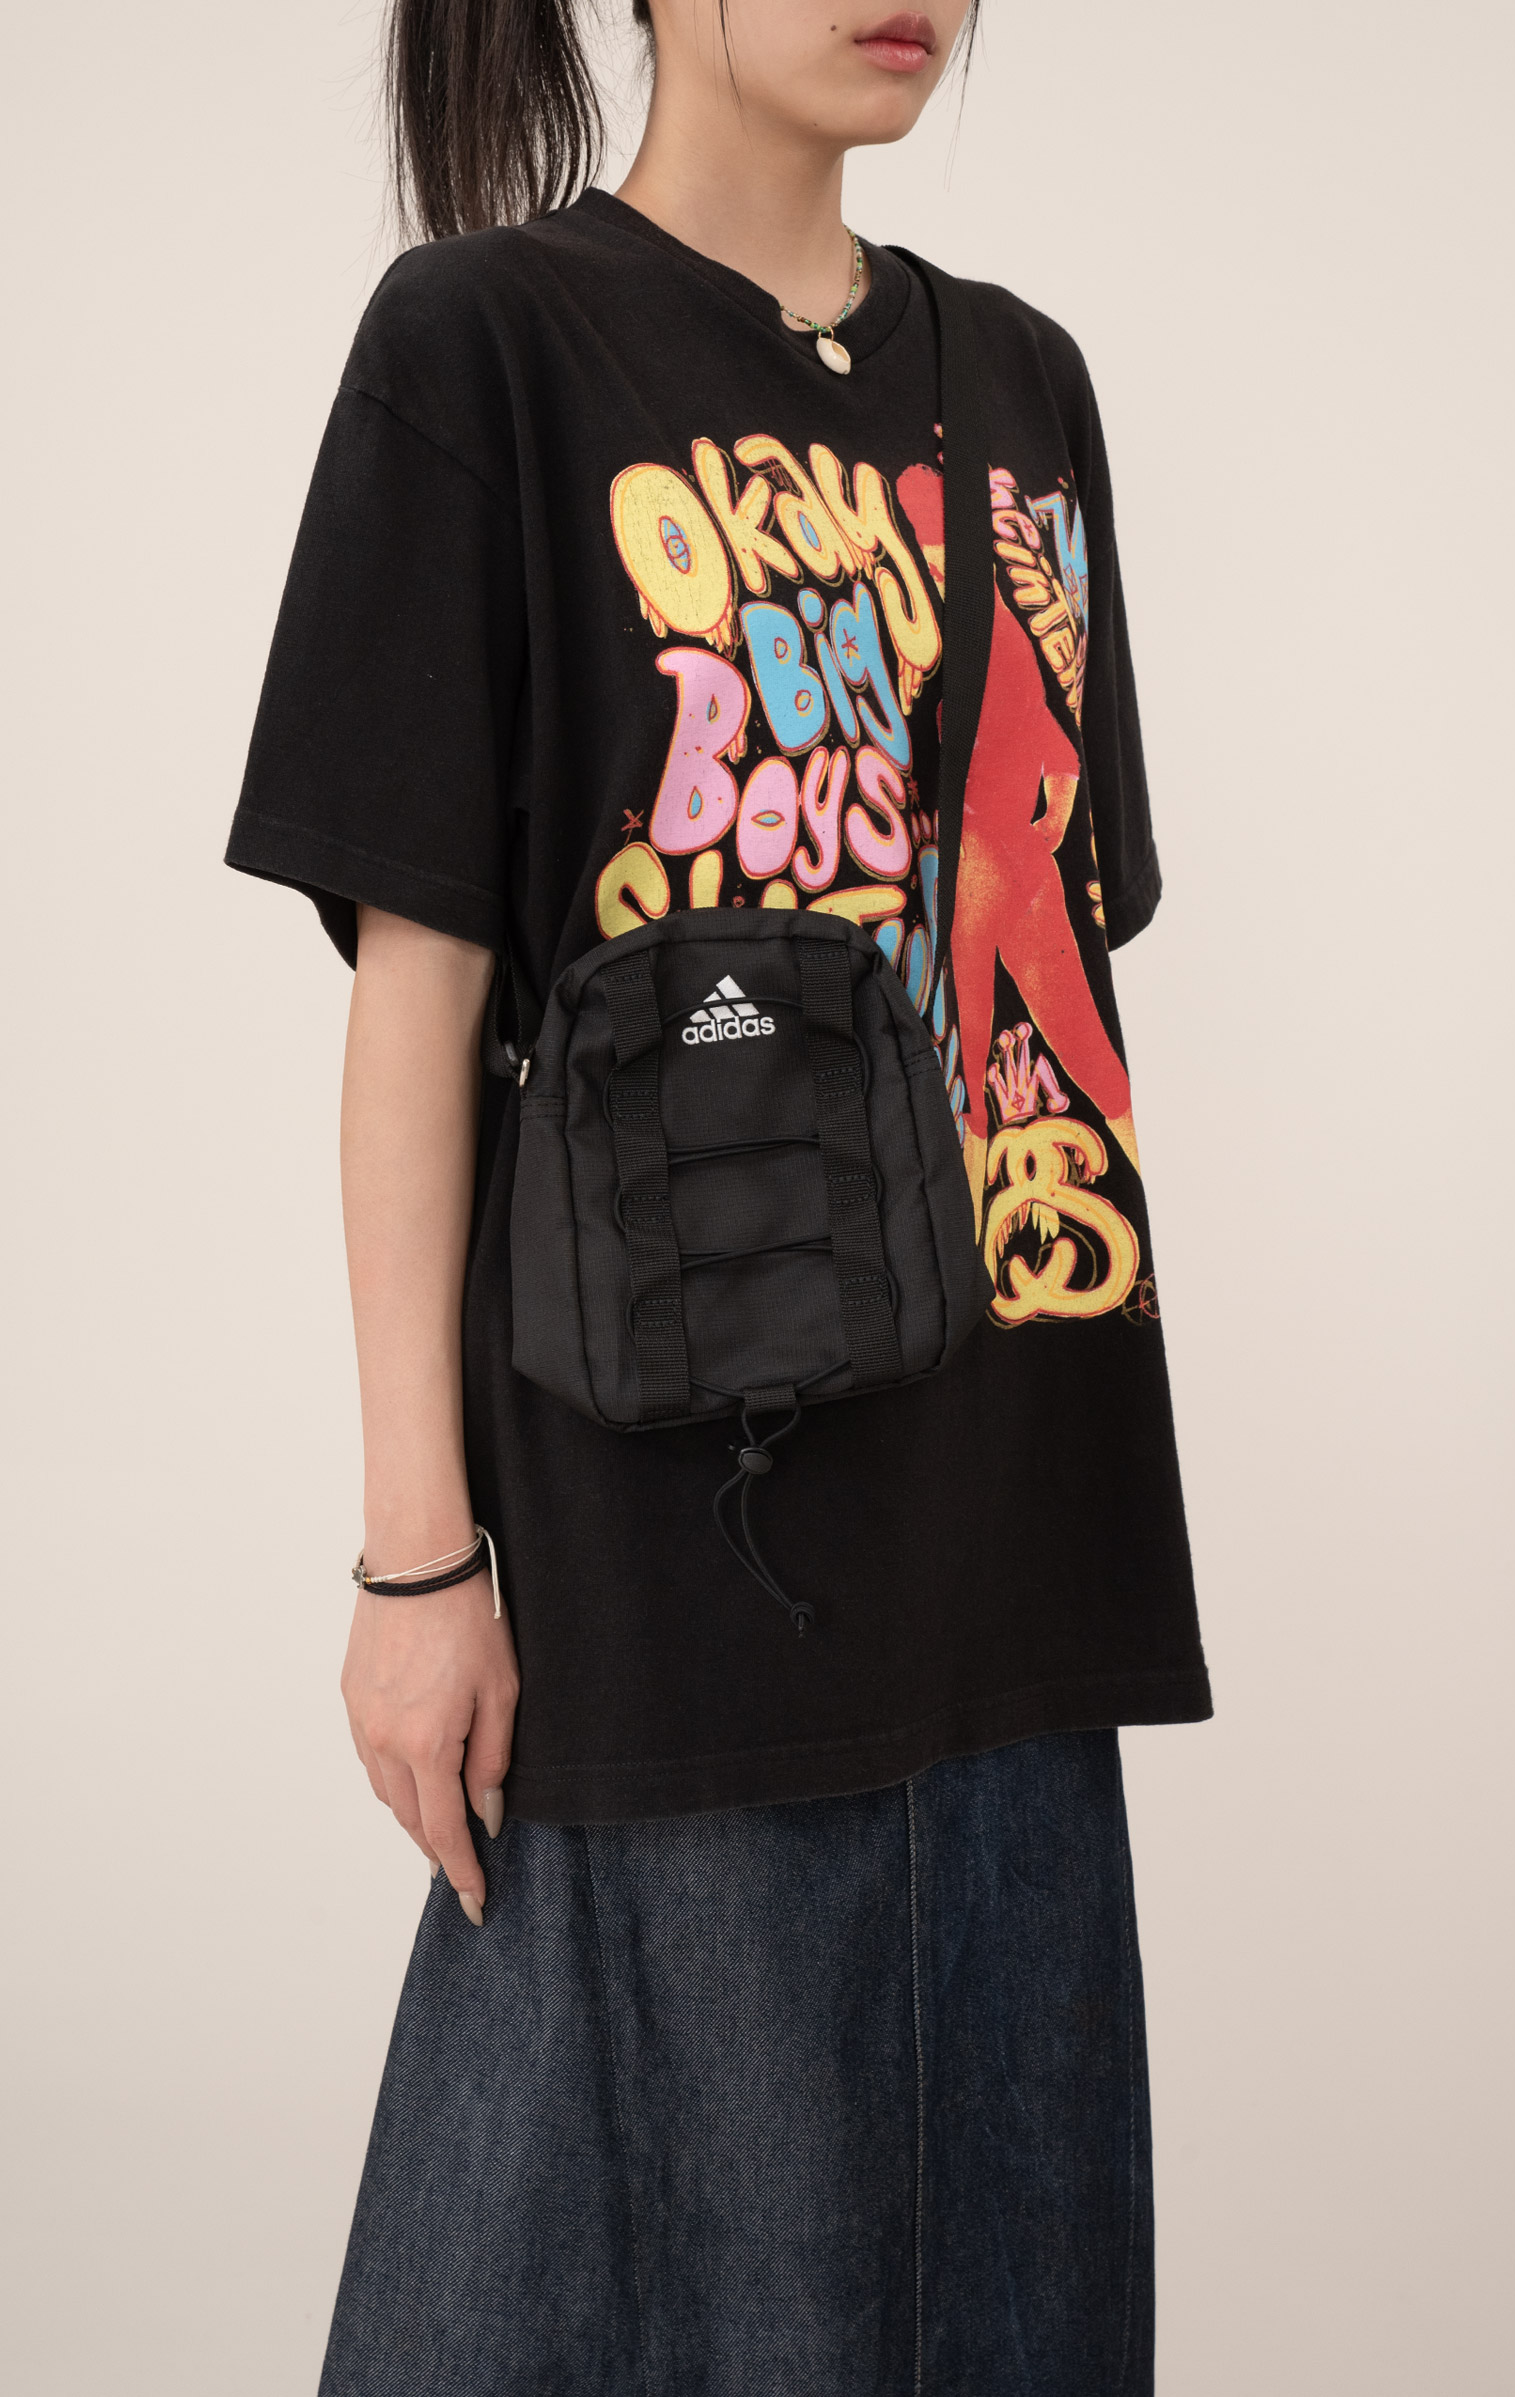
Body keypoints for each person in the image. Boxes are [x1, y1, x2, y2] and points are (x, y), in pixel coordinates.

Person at [227, 3, 1211, 2388]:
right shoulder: (485, 346)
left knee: (1007, 2313)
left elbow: (1042, 935)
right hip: (663, 1546)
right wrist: (415, 1555)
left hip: (1019, 1528)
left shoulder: (1023, 387)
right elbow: (417, 999)